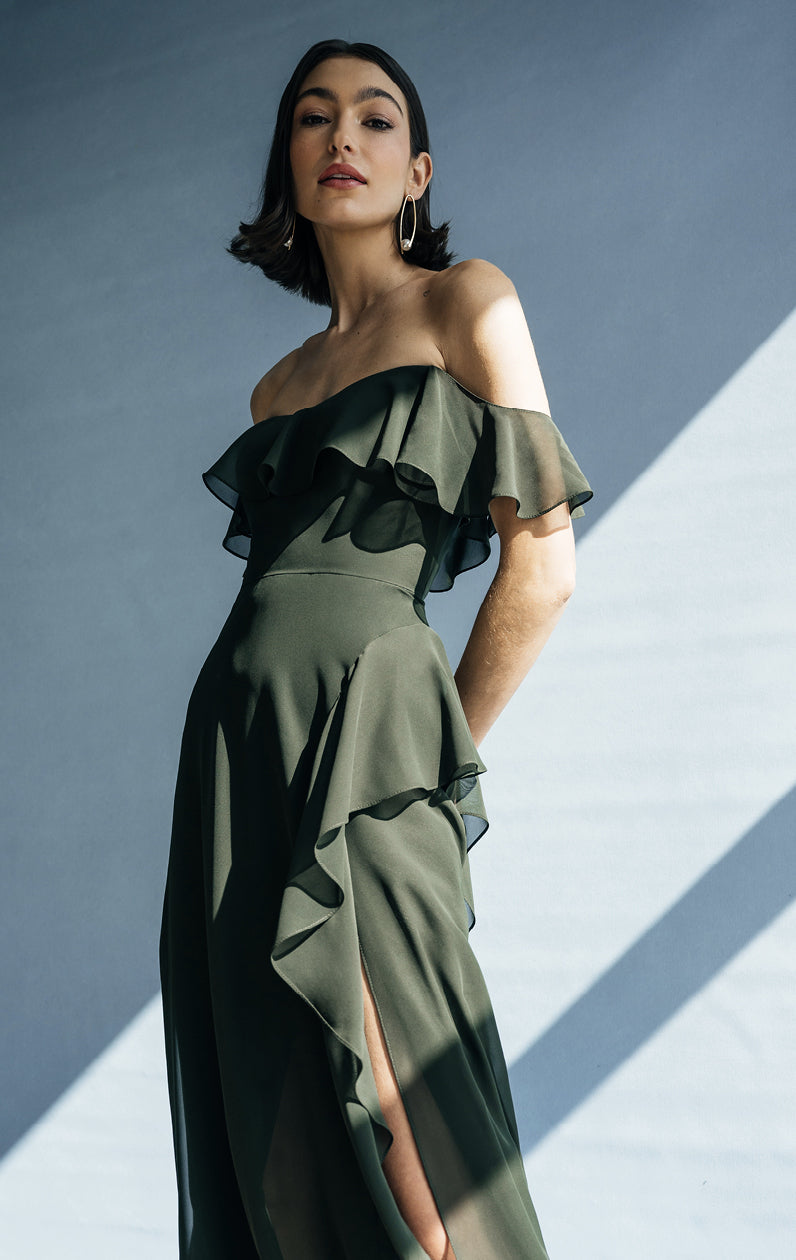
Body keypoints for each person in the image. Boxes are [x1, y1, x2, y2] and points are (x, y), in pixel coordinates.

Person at [159, 36, 592, 1260]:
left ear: (417, 171)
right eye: (312, 118)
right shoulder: (278, 389)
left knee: (413, 1119)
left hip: (377, 729)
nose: (341, 137)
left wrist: (430, 750)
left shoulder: (469, 301)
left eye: (375, 118)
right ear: (289, 166)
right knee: (282, 1102)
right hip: (238, 746)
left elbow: (544, 566)